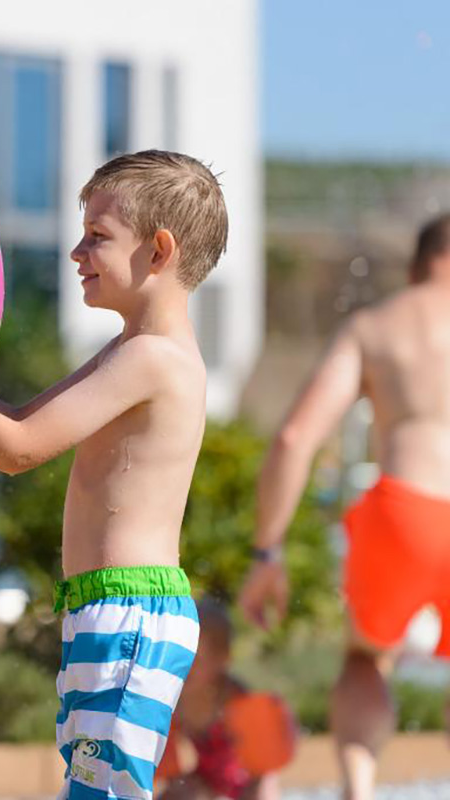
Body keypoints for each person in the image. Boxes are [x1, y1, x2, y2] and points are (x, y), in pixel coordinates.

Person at [0, 150, 228, 798]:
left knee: (103, 791)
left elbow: (19, 449)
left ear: (159, 251)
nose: (76, 251)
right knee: (89, 787)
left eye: (98, 236)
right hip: (108, 608)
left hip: (129, 613)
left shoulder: (153, 359)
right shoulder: (131, 351)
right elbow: (25, 418)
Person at [238, 214, 450, 800]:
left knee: (364, 658)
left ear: (414, 269)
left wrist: (267, 551)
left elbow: (294, 439)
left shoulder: (378, 326)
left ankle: (358, 788)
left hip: (407, 510)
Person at [156, 597, 291, 800]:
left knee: (265, 789)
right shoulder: (176, 698)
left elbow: (263, 764)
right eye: (181, 657)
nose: (187, 668)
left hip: (248, 781)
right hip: (206, 780)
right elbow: (169, 759)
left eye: (198, 659)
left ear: (223, 659)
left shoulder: (235, 698)